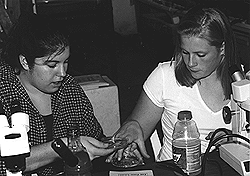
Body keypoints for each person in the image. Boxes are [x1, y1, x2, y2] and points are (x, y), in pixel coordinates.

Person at [107, 5, 247, 163]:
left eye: (200, 55)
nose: (191, 63)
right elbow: (137, 124)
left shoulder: (244, 83)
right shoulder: (165, 76)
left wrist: (232, 142)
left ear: (222, 48)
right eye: (185, 53)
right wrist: (132, 127)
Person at [0, 13, 115, 175]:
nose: (62, 73)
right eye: (52, 65)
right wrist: (61, 147)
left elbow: (94, 137)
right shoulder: (4, 92)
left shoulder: (69, 88)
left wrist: (115, 147)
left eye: (66, 62)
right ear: (25, 62)